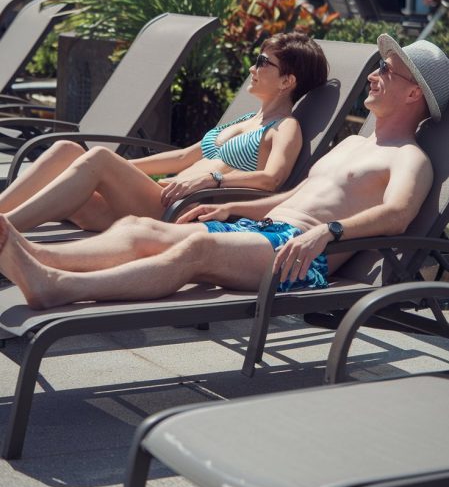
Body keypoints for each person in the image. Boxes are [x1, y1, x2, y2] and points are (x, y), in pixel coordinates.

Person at [1, 35, 448, 311]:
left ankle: (58, 286)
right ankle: (34, 259)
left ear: (413, 94)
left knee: (196, 248)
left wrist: (328, 233)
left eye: (386, 70)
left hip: (302, 257)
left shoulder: (411, 159)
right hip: (263, 229)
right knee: (139, 228)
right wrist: (236, 205)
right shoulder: (351, 144)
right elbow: (289, 196)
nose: (374, 75)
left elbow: (396, 215)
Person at [0, 32, 328, 233]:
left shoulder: (286, 127)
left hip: (174, 211)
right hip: (151, 196)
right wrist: (113, 169)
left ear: (287, 81)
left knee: (97, 157)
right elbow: (184, 156)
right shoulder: (244, 119)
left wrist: (210, 181)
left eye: (263, 63)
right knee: (67, 150)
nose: (252, 69)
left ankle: (7, 231)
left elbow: (272, 179)